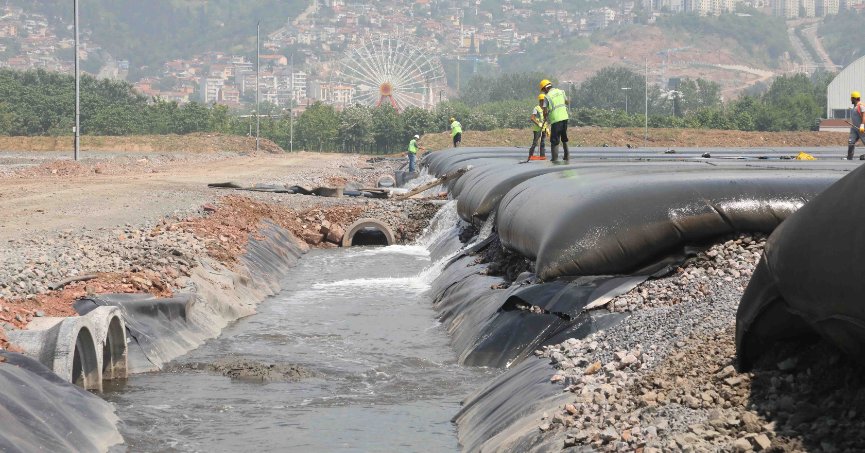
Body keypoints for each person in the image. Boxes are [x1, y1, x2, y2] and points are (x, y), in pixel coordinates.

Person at [540, 79, 570, 162]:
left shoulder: (547, 97)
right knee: (564, 137)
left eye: (543, 90)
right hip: (565, 117)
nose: (544, 92)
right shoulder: (561, 92)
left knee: (554, 140)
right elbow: (567, 102)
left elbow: (545, 111)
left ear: (545, 88)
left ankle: (554, 158)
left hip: (556, 119)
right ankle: (567, 156)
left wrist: (545, 117)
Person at [527, 94, 548, 160]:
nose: (544, 102)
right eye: (543, 101)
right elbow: (532, 118)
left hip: (544, 128)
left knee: (543, 143)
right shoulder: (536, 108)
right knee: (535, 143)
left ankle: (542, 156)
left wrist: (547, 128)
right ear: (540, 101)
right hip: (537, 129)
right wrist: (538, 124)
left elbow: (546, 119)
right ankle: (530, 155)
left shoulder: (545, 109)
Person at [849, 91, 865, 160]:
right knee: (851, 142)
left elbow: (864, 116)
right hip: (854, 128)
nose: (851, 100)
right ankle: (849, 157)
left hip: (861, 129)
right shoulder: (854, 107)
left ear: (854, 98)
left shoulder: (861, 106)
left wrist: (862, 125)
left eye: (851, 98)